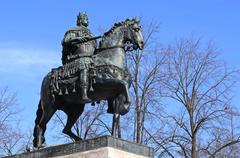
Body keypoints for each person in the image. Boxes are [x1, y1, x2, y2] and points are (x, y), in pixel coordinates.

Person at [61, 12, 97, 102]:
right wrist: (77, 39)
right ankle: (84, 94)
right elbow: (65, 41)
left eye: (87, 18)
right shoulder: (72, 31)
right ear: (80, 20)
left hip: (91, 58)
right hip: (78, 58)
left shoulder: (91, 34)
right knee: (84, 66)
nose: (87, 20)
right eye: (85, 18)